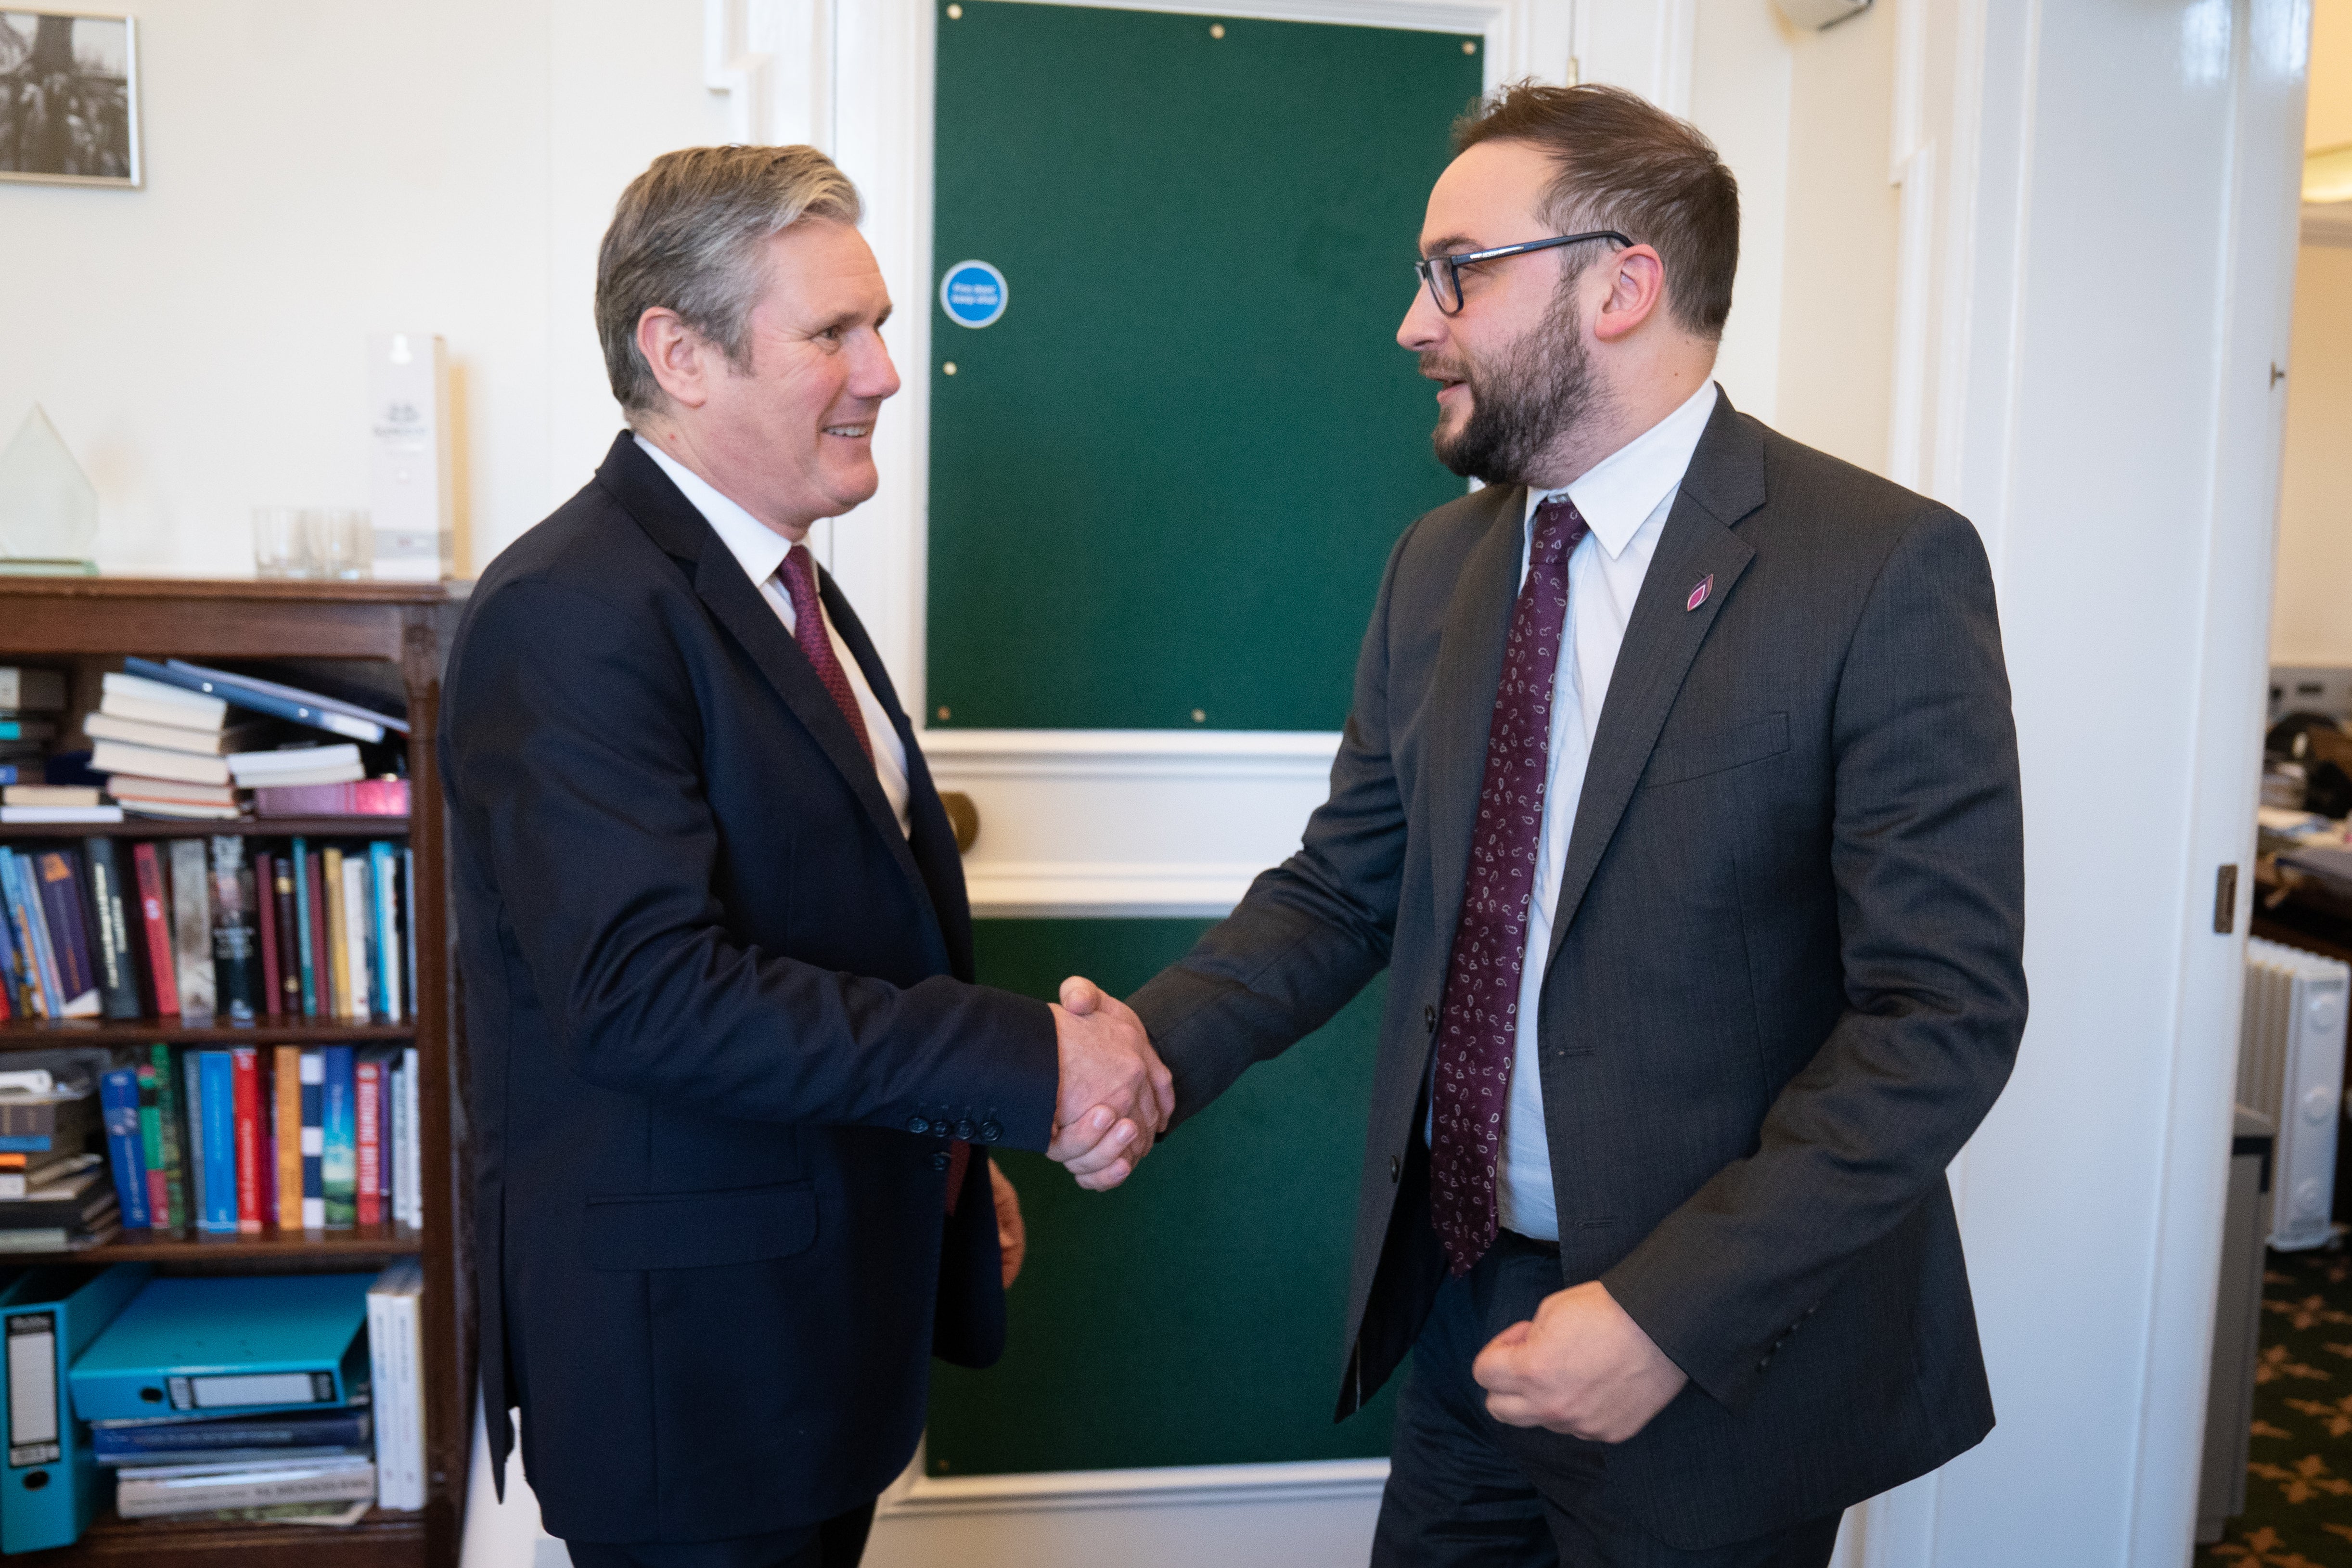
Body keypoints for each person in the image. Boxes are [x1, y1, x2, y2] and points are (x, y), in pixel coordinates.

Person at [1070, 82, 2028, 1566]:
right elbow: (1345, 887)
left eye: (1458, 269)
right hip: (1468, 1318)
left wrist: (1667, 1315)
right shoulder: (1438, 564)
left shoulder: (1881, 568)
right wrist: (1152, 1045)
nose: (1411, 319)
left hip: (1721, 1356)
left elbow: (1941, 1014)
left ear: (1623, 283)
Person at [438, 144, 1170, 1568]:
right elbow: (651, 994)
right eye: (836, 331)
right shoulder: (573, 608)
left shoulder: (778, 578)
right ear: (680, 354)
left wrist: (946, 1157)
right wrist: (1023, 1063)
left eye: (880, 325)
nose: (889, 370)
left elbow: (835, 920)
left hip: (801, 1345)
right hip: (693, 1385)